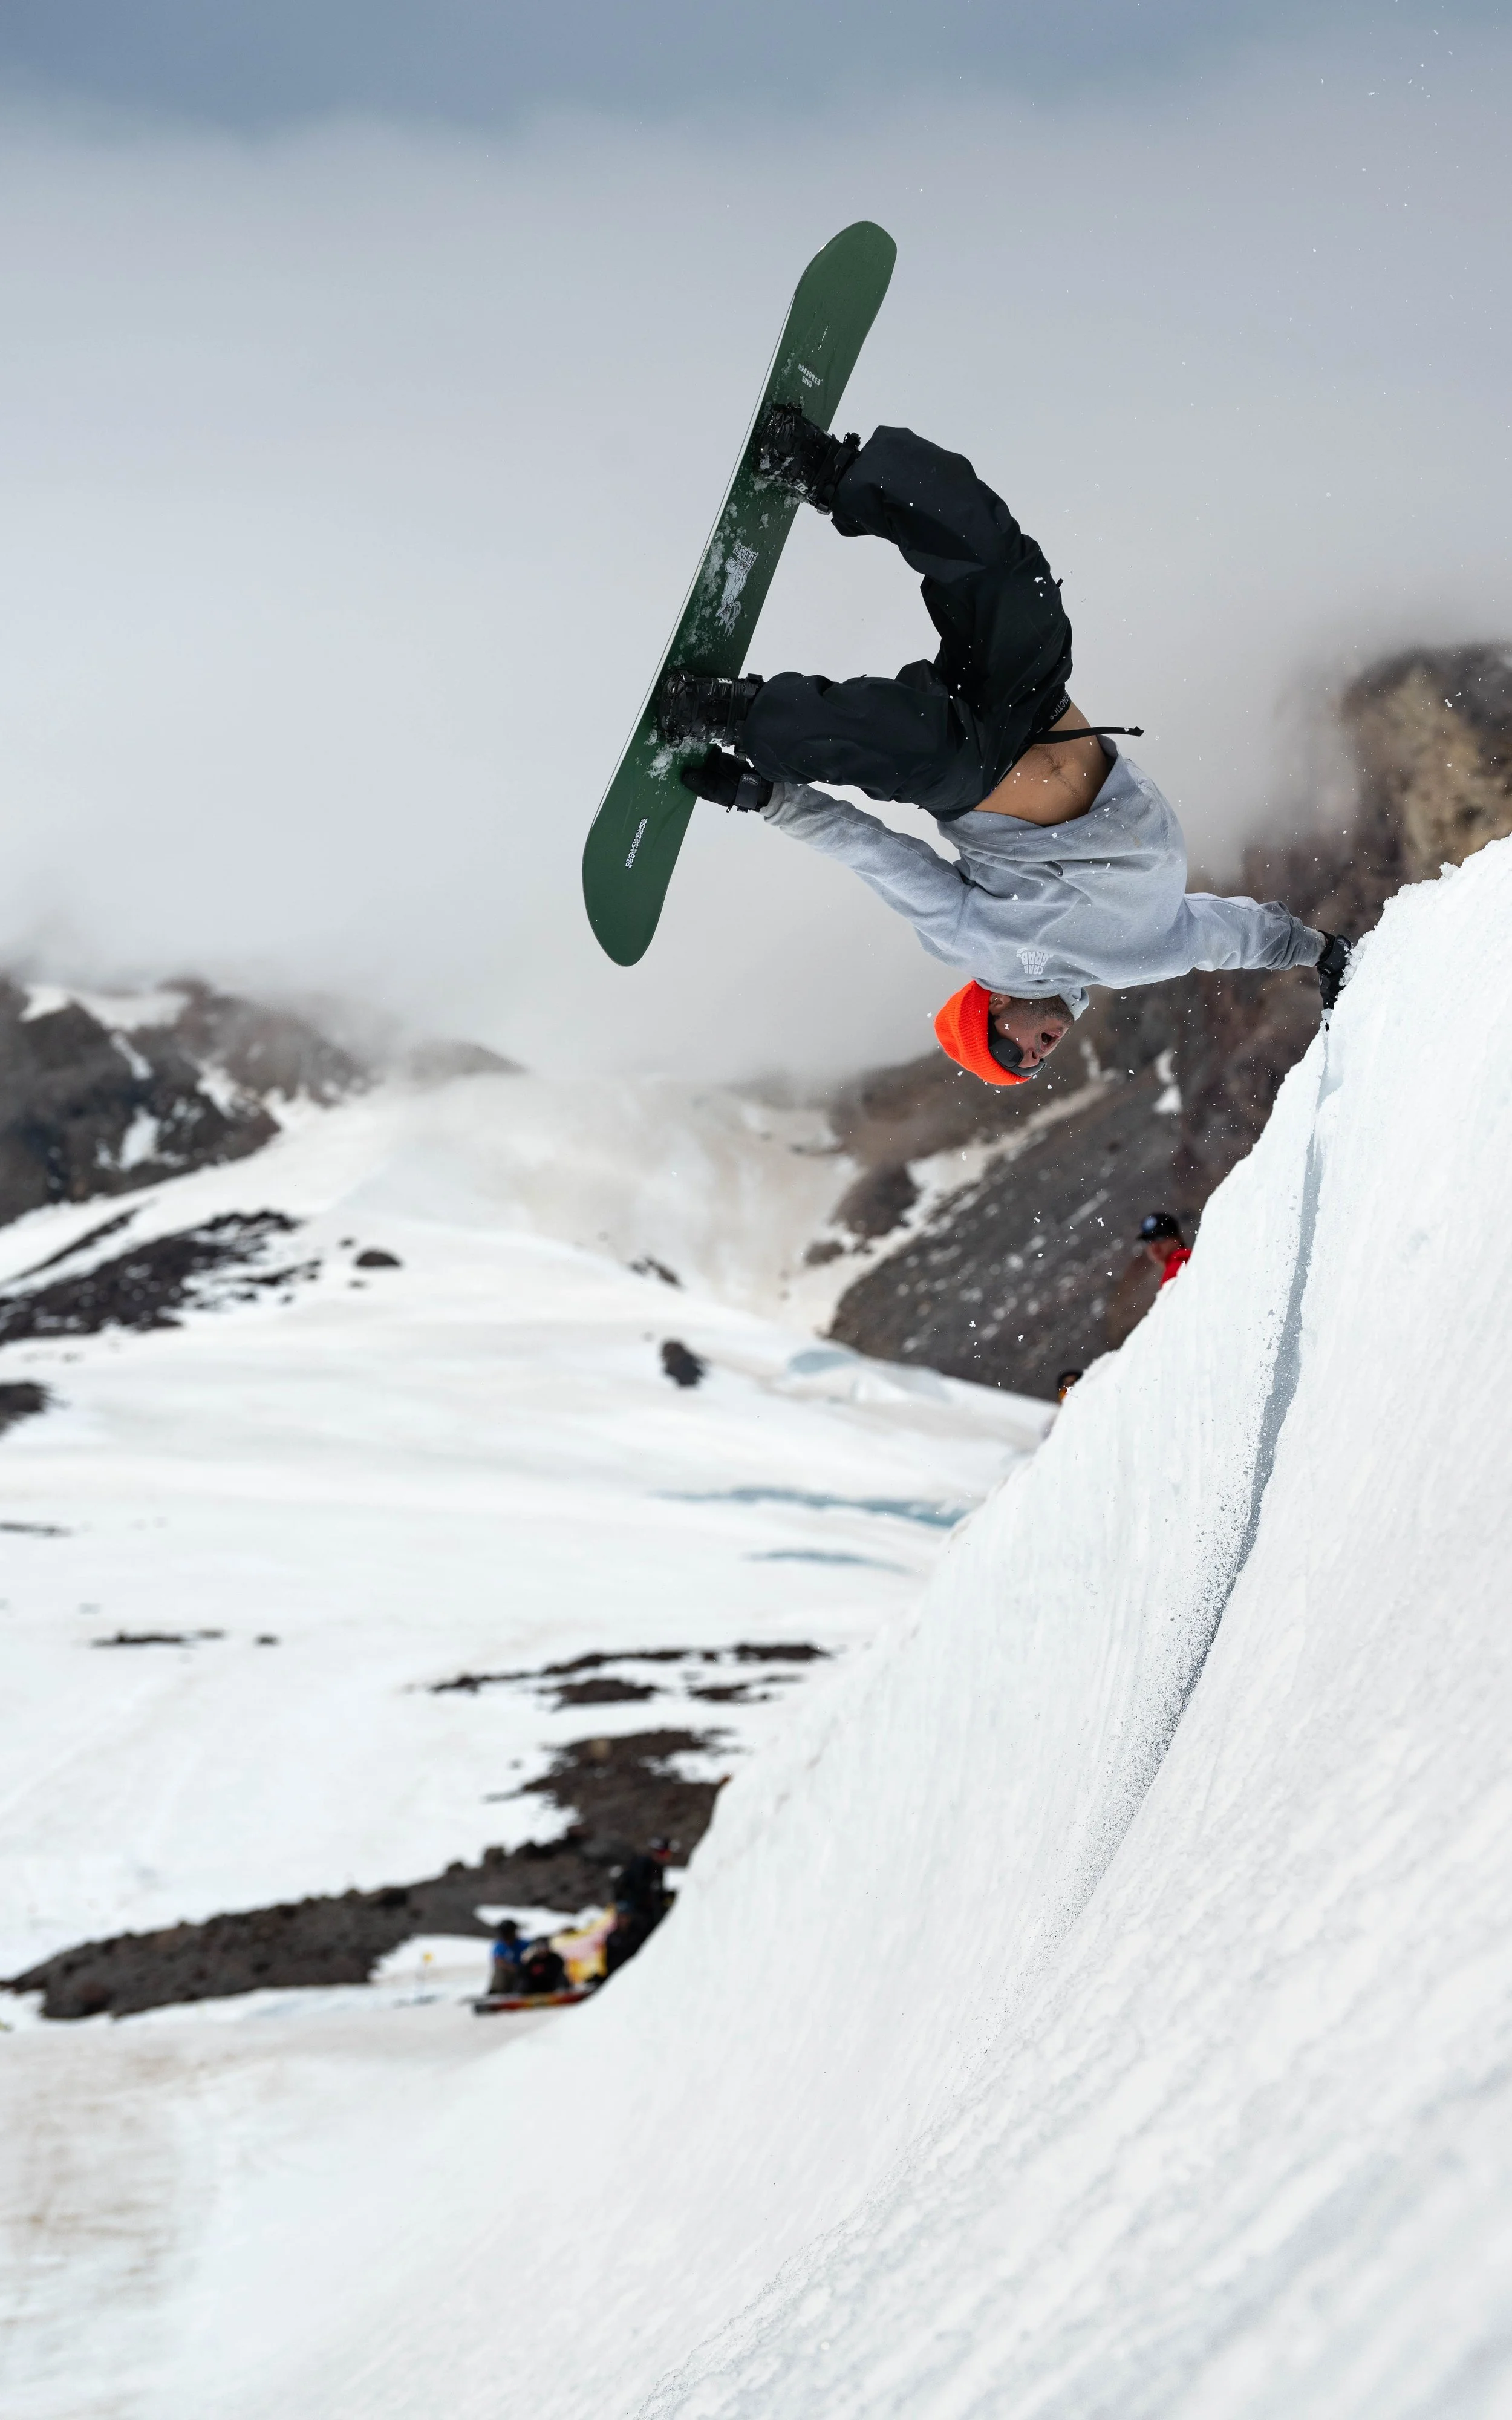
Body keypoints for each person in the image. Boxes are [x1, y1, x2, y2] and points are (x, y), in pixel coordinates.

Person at [659, 408, 1353, 1087]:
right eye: (1037, 1065)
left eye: (1013, 1053)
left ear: (990, 1013)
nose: (1040, 1053)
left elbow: (875, 854)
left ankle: (731, 702)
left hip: (976, 770)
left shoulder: (974, 944)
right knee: (1014, 579)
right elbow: (1233, 937)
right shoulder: (1143, 958)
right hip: (1041, 706)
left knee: (923, 726)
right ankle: (826, 482)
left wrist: (768, 798)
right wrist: (1317, 951)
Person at [1139, 1212, 1192, 1288]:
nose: (1154, 1246)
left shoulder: (1177, 1269)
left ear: (1177, 1239)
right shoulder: (1190, 1261)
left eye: (1160, 1238)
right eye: (1149, 1241)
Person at [488, 1918, 525, 1996]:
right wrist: (511, 1968)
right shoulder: (500, 1946)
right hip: (509, 1976)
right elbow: (498, 1961)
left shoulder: (523, 1944)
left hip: (523, 1975)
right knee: (500, 1971)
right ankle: (496, 1991)